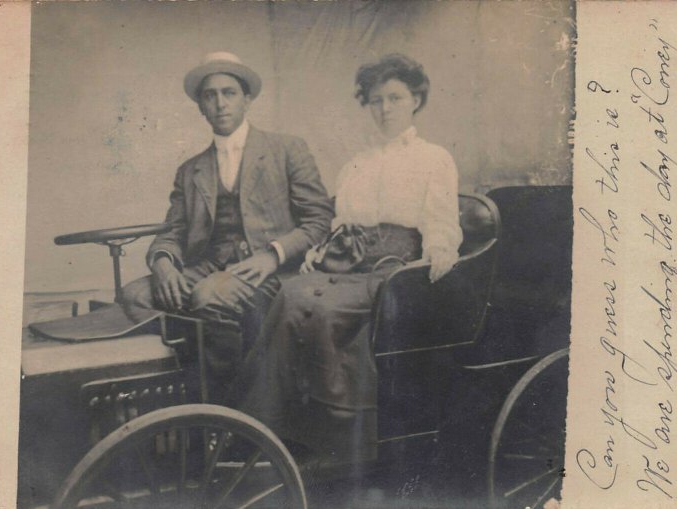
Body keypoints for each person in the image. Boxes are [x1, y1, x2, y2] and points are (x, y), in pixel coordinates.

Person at [232, 54, 462, 464]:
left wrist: (439, 254)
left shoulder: (434, 158)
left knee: (311, 305)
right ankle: (267, 426)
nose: (385, 109)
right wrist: (320, 254)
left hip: (393, 273)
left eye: (394, 98)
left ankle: (309, 429)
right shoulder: (360, 161)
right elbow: (341, 222)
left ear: (416, 100)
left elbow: (441, 222)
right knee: (284, 293)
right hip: (348, 266)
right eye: (376, 100)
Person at [122, 52, 334, 401]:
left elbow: (319, 220)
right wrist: (162, 262)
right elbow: (172, 231)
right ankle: (187, 393)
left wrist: (273, 254)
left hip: (272, 270)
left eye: (229, 92)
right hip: (209, 265)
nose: (220, 103)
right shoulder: (191, 170)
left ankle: (230, 413)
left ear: (247, 99)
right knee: (135, 296)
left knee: (208, 295)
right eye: (210, 95)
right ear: (201, 106)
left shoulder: (286, 149)